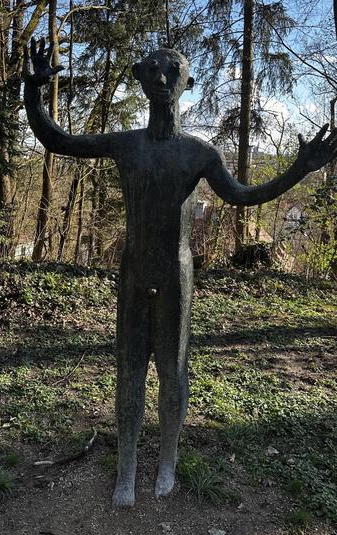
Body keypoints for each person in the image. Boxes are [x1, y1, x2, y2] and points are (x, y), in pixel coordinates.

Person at [24, 38, 337, 506]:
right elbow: (57, 140)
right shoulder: (125, 144)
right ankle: (126, 468)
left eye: (172, 71)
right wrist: (34, 90)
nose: (162, 77)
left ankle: (167, 458)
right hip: (133, 273)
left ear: (187, 83)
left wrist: (298, 170)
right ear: (140, 78)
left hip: (176, 275)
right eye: (152, 69)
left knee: (172, 369)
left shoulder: (200, 153)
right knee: (128, 371)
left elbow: (241, 196)